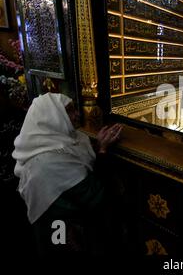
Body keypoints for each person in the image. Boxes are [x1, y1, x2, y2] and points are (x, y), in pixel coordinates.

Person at [12, 92, 122, 255]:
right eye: (69, 111)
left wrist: (98, 146)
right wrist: (103, 151)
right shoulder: (49, 163)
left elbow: (76, 159)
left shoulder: (53, 143)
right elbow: (96, 197)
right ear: (52, 117)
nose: (77, 114)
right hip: (65, 234)